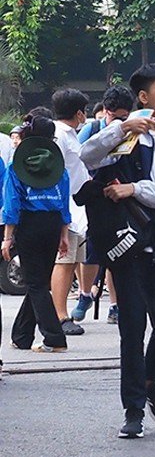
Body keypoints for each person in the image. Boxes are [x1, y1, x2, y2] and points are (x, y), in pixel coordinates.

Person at [79, 63, 155, 439]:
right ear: (144, 97)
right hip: (126, 244)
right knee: (132, 328)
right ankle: (133, 409)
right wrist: (120, 128)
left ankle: (151, 380)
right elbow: (87, 157)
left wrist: (136, 189)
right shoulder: (124, 136)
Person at [5, 113, 73, 353]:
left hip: (29, 225)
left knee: (35, 283)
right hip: (53, 225)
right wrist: (64, 234)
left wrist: (7, 237)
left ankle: (54, 338)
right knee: (40, 281)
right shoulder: (58, 164)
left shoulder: (17, 164)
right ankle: (22, 335)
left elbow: (12, 203)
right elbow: (64, 202)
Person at [72, 85, 133, 324]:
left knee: (119, 250)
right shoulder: (92, 129)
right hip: (95, 197)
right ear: (106, 111)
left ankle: (115, 305)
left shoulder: (133, 130)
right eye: (117, 117)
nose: (121, 122)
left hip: (121, 195)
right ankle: (85, 294)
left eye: (125, 118)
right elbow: (79, 158)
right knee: (93, 250)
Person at [49, 88, 91, 338]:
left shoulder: (70, 135)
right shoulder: (60, 136)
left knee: (73, 260)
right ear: (79, 113)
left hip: (78, 208)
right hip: (67, 208)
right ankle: (60, 314)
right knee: (63, 262)